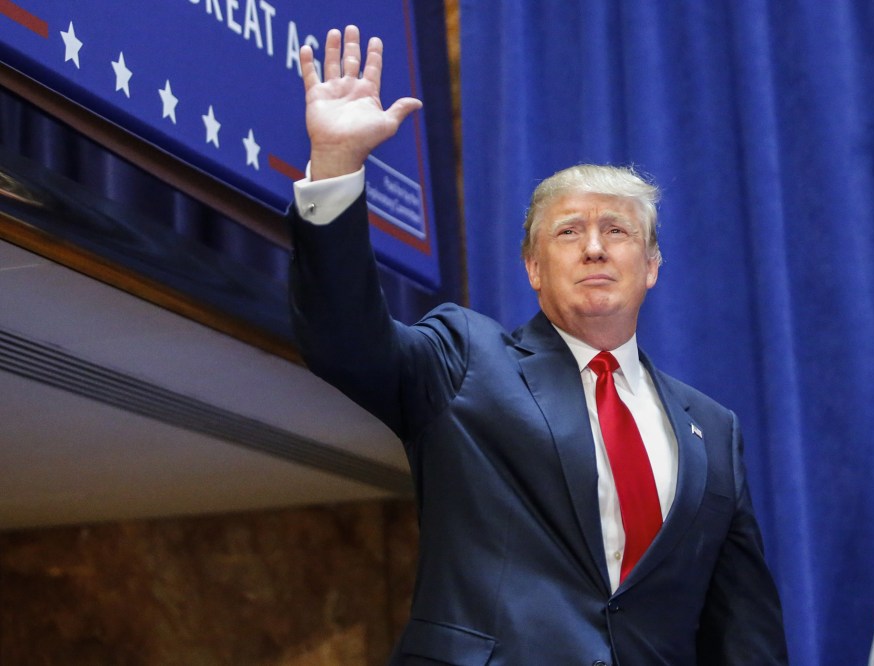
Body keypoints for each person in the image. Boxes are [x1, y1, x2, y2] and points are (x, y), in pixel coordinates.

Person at [289, 25, 788, 665]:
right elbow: (344, 342)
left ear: (652, 264)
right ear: (532, 267)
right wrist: (335, 168)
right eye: (569, 231)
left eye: (617, 230)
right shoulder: (465, 359)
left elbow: (743, 627)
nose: (595, 247)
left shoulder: (713, 430)